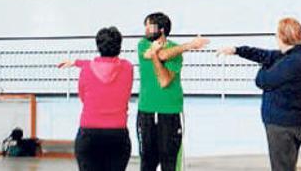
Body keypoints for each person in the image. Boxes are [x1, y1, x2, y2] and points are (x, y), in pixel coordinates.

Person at [217, 18, 301, 171]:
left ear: (284, 37)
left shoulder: (293, 62)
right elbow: (263, 55)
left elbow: (262, 80)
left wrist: (264, 66)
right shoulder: (292, 55)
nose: (275, 38)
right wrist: (237, 50)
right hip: (287, 123)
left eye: (277, 34)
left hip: (283, 126)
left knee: (281, 167)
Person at [136, 12, 208, 171]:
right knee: (147, 162)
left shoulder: (175, 51)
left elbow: (164, 80)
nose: (146, 29)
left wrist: (161, 53)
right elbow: (159, 54)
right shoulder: (142, 44)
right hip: (146, 111)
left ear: (161, 29)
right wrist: (189, 45)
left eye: (150, 26)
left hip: (170, 111)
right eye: (145, 25)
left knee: (170, 162)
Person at [59, 27, 134, 171]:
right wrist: (78, 62)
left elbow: (82, 96)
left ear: (98, 46)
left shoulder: (86, 68)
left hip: (89, 133)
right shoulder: (128, 67)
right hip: (117, 135)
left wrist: (77, 62)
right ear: (119, 46)